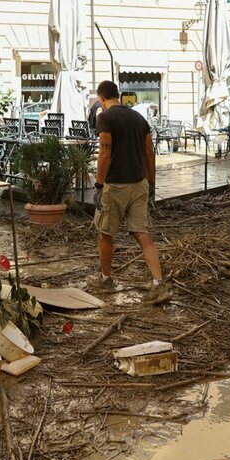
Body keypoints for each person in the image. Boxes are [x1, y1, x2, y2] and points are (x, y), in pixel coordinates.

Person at [89, 80, 169, 305]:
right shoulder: (138, 118)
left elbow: (105, 152)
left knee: (106, 233)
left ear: (102, 98)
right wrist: (151, 184)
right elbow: (150, 153)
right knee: (143, 234)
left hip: (115, 185)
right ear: (119, 95)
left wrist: (98, 185)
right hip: (139, 183)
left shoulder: (104, 117)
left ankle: (105, 280)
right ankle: (158, 284)